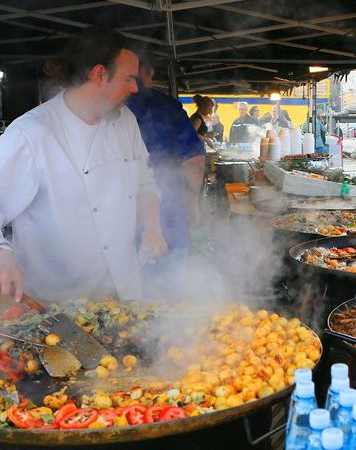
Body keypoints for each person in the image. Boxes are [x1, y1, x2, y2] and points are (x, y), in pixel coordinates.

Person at [0, 27, 166, 302]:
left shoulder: (125, 122)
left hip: (123, 291)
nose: (136, 88)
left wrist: (151, 226)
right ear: (99, 74)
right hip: (57, 304)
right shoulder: (30, 134)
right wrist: (3, 252)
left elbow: (145, 184)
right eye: (129, 79)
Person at [125, 48, 206, 283]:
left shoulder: (105, 109)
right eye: (150, 75)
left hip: (115, 235)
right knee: (167, 305)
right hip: (167, 222)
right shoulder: (165, 107)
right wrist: (193, 207)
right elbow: (193, 163)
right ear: (143, 72)